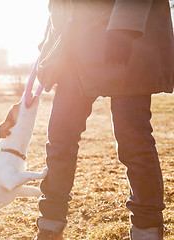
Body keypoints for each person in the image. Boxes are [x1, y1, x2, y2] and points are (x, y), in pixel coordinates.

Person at [34, 0, 174, 239]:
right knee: (59, 139)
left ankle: (147, 231)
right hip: (74, 46)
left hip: (123, 40)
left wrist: (125, 25)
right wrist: (49, 47)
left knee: (133, 142)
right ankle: (49, 227)